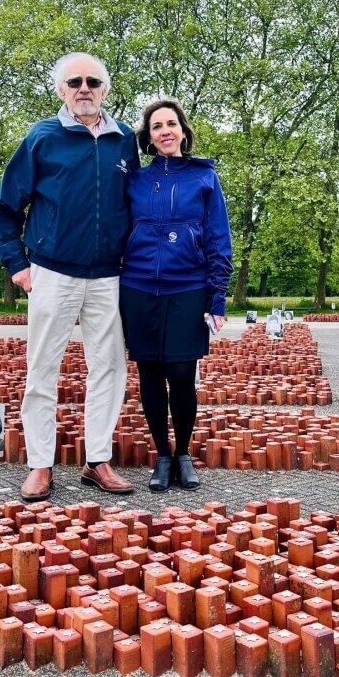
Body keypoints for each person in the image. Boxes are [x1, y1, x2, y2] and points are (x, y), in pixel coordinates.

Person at [0, 52, 139, 501]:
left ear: (106, 89)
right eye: (74, 81)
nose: (84, 88)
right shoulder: (43, 137)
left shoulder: (124, 141)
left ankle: (97, 461)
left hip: (108, 275)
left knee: (109, 368)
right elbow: (7, 204)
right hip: (52, 271)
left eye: (93, 81)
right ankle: (40, 465)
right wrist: (16, 263)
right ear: (61, 90)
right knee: (42, 370)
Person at [119, 98, 233, 492]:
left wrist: (217, 295)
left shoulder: (204, 178)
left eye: (171, 123)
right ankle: (162, 456)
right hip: (138, 285)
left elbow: (219, 236)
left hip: (188, 285)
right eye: (156, 126)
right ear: (148, 137)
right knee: (150, 374)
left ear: (183, 130)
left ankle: (183, 453)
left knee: (182, 375)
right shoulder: (134, 179)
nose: (164, 131)